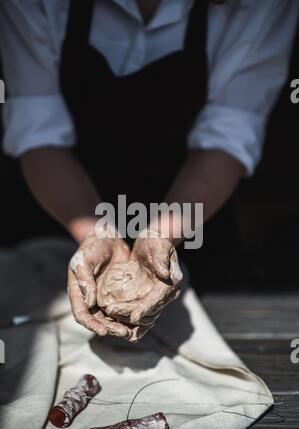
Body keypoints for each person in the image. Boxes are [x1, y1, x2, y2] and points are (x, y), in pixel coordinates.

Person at [0, 0, 297, 341]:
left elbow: (228, 137)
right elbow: (38, 134)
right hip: (54, 211)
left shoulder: (260, 5)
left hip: (192, 216)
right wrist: (96, 233)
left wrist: (161, 235)